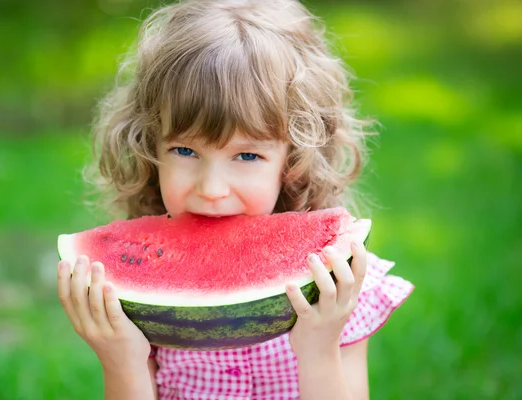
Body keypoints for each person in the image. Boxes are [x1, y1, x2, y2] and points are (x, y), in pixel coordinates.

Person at [57, 0, 414, 398]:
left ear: (293, 159)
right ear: (149, 146)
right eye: (185, 151)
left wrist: (319, 348)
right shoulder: (136, 296)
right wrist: (122, 360)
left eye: (247, 156)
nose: (211, 188)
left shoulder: (336, 286)